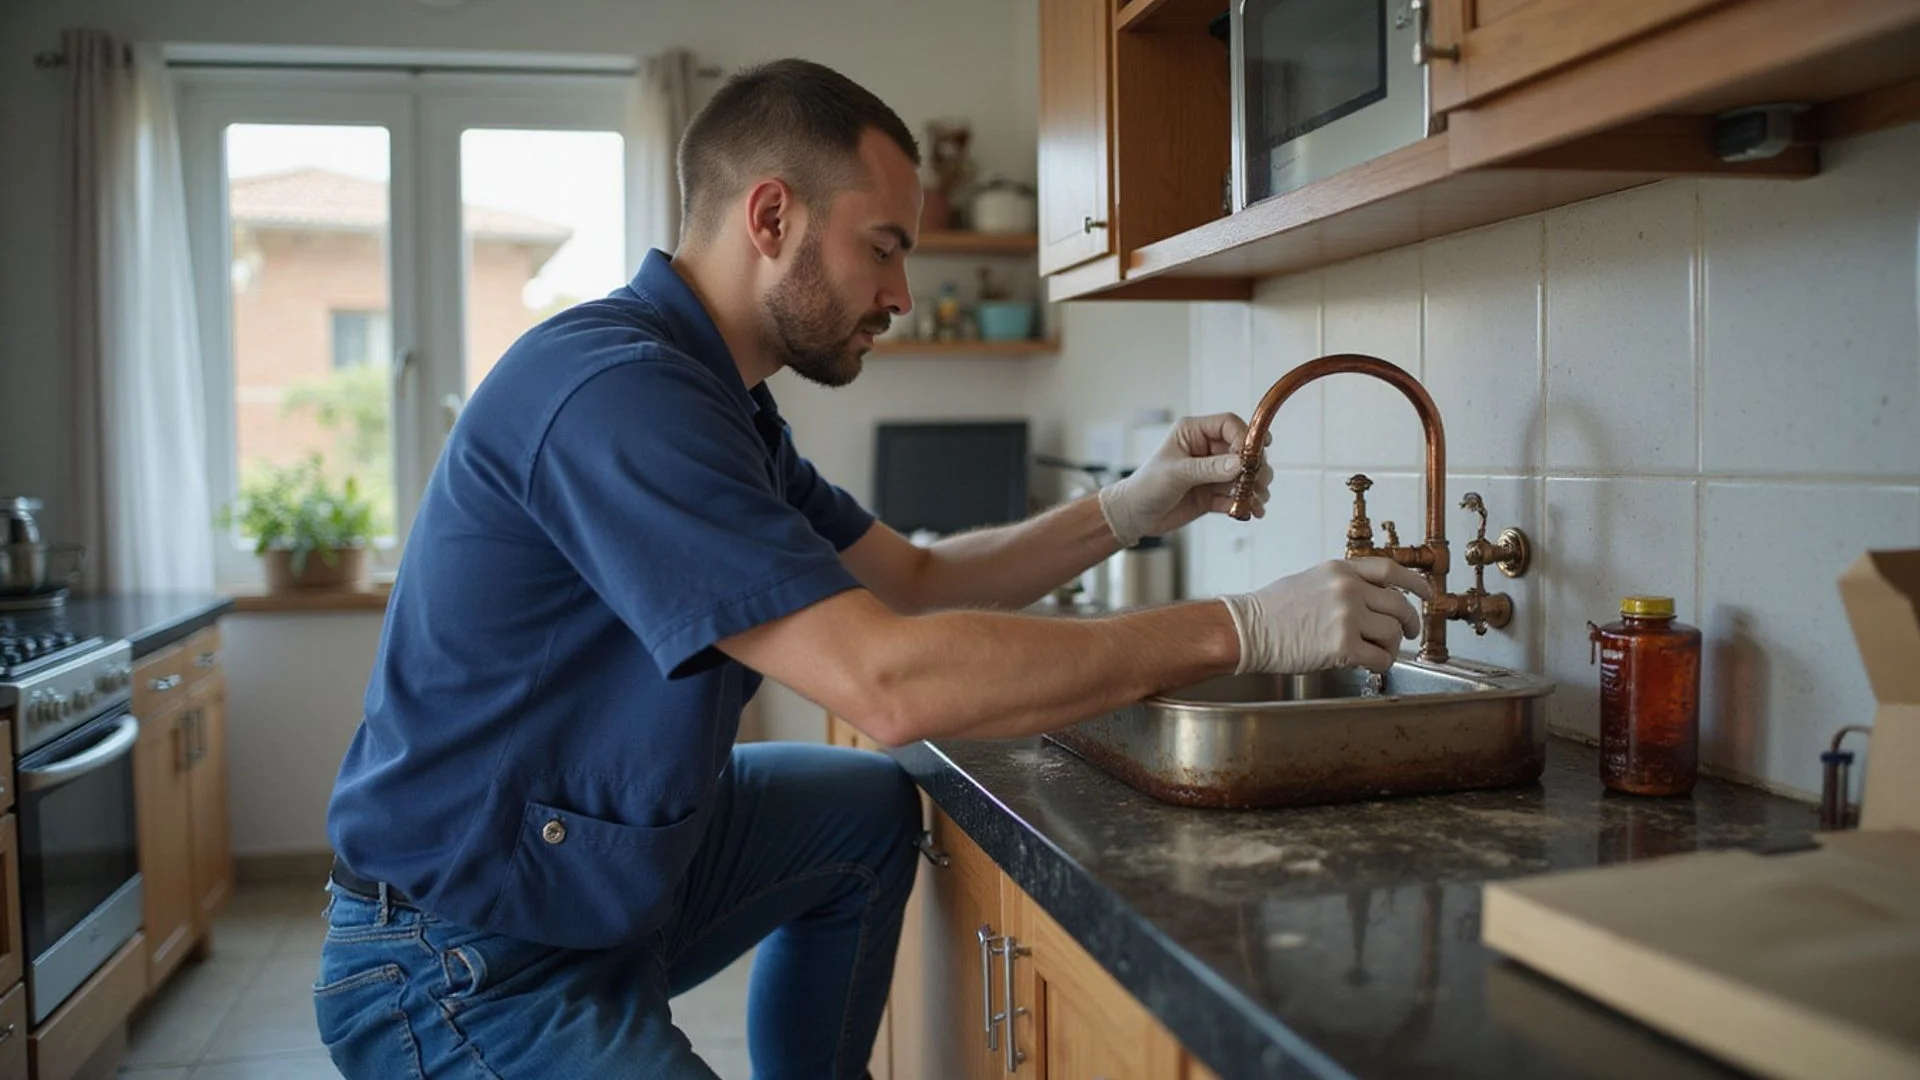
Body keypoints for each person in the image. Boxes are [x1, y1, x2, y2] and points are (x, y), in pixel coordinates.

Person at [313, 58, 1428, 1080]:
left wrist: (1126, 509)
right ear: (770, 216)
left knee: (856, 810)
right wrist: (1239, 625)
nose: (900, 292)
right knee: (876, 752)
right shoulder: (620, 396)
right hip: (463, 954)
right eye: (885, 246)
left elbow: (917, 582)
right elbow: (887, 684)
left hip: (595, 877)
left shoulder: (719, 402)